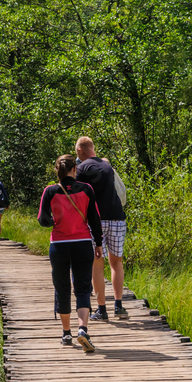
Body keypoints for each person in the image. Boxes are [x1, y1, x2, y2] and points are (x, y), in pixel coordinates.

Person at [38, 155, 103, 353]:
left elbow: (42, 219)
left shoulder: (50, 191)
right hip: (83, 243)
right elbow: (94, 218)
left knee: (62, 286)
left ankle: (66, 332)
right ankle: (82, 329)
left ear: (57, 171)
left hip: (59, 244)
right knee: (83, 287)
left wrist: (55, 222)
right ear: (74, 169)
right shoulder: (86, 189)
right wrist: (98, 244)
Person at [75, 136, 128, 321]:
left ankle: (102, 309)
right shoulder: (107, 166)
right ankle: (119, 306)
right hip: (117, 218)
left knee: (97, 263)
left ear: (81, 150)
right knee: (117, 262)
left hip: (95, 220)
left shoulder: (81, 168)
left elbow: (78, 195)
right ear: (92, 148)